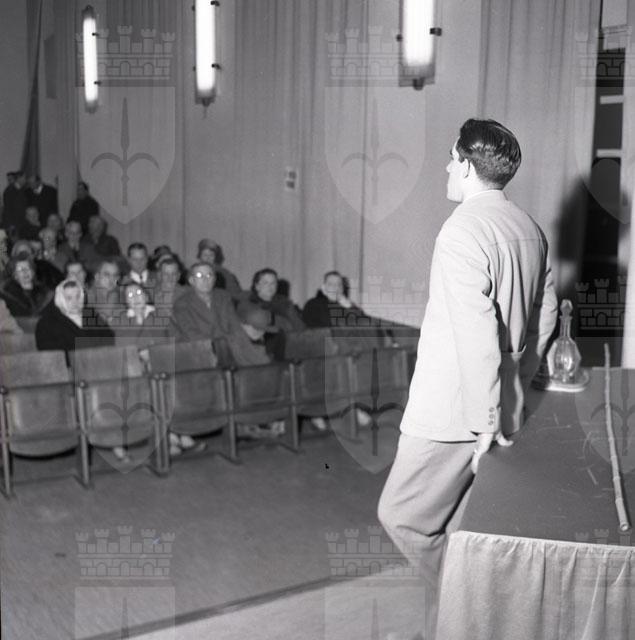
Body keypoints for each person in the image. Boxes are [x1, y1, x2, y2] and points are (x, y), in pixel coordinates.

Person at [377, 119, 558, 638]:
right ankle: (450, 625)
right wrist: (515, 379)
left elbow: (477, 332)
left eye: (451, 157)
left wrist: (483, 423)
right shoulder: (529, 227)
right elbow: (545, 314)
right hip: (500, 402)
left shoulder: (461, 229)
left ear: (467, 165)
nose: (445, 166)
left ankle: (473, 605)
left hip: (456, 412)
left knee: (401, 516)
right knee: (460, 527)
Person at [35, 278, 114, 355]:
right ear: (60, 300)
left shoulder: (91, 315)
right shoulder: (46, 323)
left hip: (97, 359)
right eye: (69, 298)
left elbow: (109, 337)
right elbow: (48, 350)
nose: (75, 302)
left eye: (77, 297)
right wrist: (85, 344)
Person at [169, 262, 240, 342]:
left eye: (209, 275)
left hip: (229, 343)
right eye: (199, 276)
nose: (205, 280)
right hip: (200, 346)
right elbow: (191, 333)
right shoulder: (182, 304)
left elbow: (235, 326)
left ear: (214, 279)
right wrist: (218, 344)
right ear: (191, 281)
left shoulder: (223, 297)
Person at [248, 268, 305, 332]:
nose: (270, 286)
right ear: (257, 286)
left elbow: (299, 327)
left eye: (273, 283)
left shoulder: (284, 303)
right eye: (266, 283)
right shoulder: (250, 304)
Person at [0, 252, 52, 319]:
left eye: (27, 268)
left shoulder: (45, 292)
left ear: (33, 271)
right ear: (15, 275)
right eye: (20, 270)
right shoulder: (8, 295)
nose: (25, 272)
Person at [85, 259, 122, 326]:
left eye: (115, 275)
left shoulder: (123, 294)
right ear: (97, 276)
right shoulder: (86, 298)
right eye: (107, 274)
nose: (112, 279)